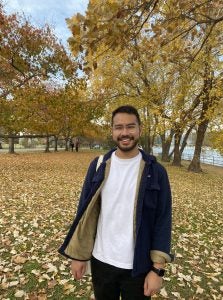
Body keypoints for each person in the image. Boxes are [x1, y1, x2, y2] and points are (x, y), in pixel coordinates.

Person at [59, 105, 173, 300]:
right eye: (119, 127)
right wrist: (79, 256)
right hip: (101, 262)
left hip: (138, 266)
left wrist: (158, 270)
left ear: (140, 129)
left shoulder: (156, 172)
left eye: (130, 126)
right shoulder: (98, 165)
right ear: (112, 131)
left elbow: (163, 220)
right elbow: (84, 212)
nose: (125, 133)